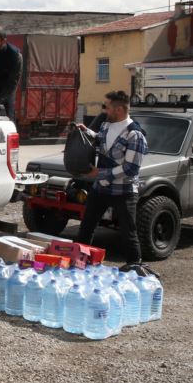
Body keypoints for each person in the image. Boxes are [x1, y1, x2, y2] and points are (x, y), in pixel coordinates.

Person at [74, 90, 148, 269]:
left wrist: (98, 174)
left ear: (119, 110)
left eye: (107, 107)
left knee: (128, 233)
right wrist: (88, 132)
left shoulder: (135, 135)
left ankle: (136, 269)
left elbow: (131, 168)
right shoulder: (106, 126)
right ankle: (79, 267)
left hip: (124, 191)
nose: (104, 110)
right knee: (86, 228)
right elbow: (101, 141)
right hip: (101, 188)